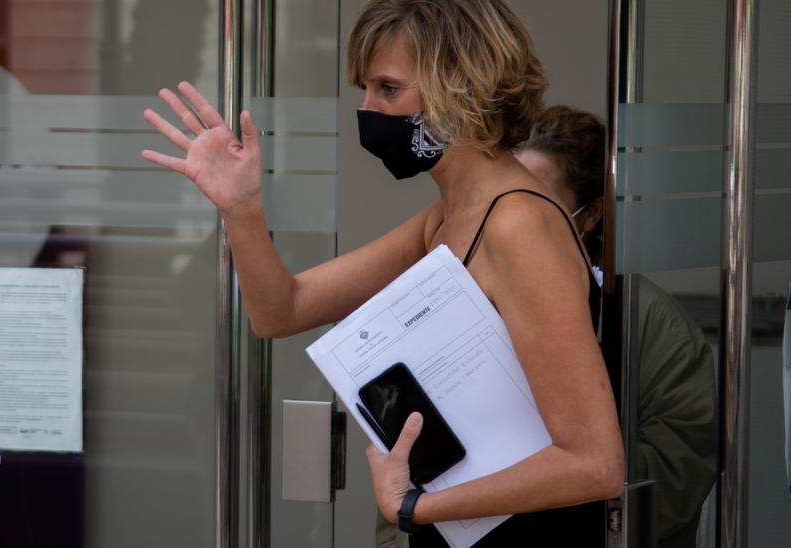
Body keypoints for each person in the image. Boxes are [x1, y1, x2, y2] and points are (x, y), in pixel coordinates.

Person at [141, 0, 623, 545]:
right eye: (365, 90)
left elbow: (595, 463)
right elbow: (281, 311)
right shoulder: (450, 212)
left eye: (388, 89)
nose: (368, 110)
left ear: (460, 89)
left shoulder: (518, 225)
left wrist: (414, 506)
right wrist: (242, 208)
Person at [517, 106, 717, 548]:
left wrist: (542, 466)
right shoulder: (474, 295)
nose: (517, 220)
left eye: (539, 204)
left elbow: (678, 471)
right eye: (509, 199)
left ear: (590, 216)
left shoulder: (648, 322)